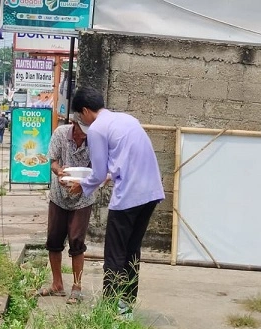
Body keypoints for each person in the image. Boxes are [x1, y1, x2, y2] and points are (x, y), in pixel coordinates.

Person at [69, 86, 165, 316]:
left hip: (129, 196)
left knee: (114, 252)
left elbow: (98, 172)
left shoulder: (97, 130)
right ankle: (127, 305)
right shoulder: (126, 119)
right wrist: (104, 178)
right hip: (150, 193)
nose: (81, 121)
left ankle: (109, 308)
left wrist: (81, 186)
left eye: (80, 116)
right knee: (132, 250)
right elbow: (122, 163)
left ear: (85, 111)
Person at [36, 116, 95, 305]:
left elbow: (97, 169)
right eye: (81, 129)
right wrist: (59, 171)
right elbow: (53, 161)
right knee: (53, 240)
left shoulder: (95, 139)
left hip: (83, 197)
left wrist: (83, 182)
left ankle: (76, 287)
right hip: (59, 194)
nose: (83, 135)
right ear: (74, 124)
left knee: (77, 241)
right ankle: (57, 284)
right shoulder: (60, 134)